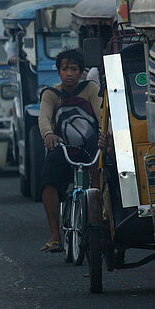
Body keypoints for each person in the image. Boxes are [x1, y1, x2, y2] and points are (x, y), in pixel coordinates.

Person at [37, 49, 102, 253]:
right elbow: (44, 118)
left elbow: (102, 113)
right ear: (58, 72)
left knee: (101, 172)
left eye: (74, 69)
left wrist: (105, 134)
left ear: (82, 71)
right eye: (64, 69)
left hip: (90, 146)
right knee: (48, 180)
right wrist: (48, 134)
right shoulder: (51, 94)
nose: (69, 74)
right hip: (63, 147)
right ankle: (55, 234)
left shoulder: (91, 88)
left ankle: (100, 222)